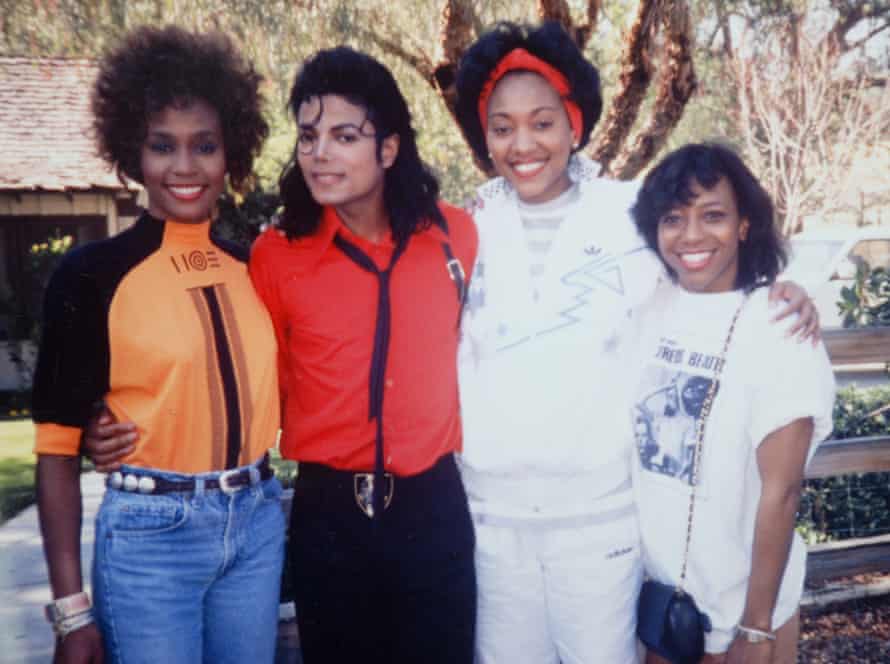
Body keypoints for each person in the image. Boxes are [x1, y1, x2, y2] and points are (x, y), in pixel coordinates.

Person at [452, 21, 819, 664]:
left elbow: (706, 260)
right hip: (492, 526)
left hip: (599, 529)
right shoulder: (464, 230)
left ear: (575, 124)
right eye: (502, 127)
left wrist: (786, 287)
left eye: (542, 122)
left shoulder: (627, 216)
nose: (523, 144)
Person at [32, 26, 283, 664]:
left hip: (256, 527)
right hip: (151, 540)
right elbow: (57, 452)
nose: (185, 166)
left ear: (232, 153)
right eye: (162, 146)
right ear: (131, 155)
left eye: (205, 145)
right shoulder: (91, 276)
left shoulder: (257, 269)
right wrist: (71, 614)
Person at [247, 47, 478, 663]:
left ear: (390, 148)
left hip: (434, 511)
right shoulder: (276, 256)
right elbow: (242, 375)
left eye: (344, 135)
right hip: (329, 518)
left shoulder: (457, 235)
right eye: (309, 136)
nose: (320, 153)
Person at [626, 143, 835, 664]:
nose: (692, 235)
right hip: (660, 606)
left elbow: (782, 491)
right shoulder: (649, 306)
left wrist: (757, 627)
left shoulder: (779, 326)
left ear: (744, 224)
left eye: (713, 215)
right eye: (674, 218)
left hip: (742, 608)